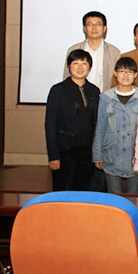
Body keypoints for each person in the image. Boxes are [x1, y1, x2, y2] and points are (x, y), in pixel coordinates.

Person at [92, 57, 138, 194]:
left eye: (130, 72)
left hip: (135, 156)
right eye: (122, 71)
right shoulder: (105, 98)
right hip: (111, 155)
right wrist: (97, 155)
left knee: (134, 197)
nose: (125, 75)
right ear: (115, 73)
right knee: (114, 197)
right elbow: (100, 127)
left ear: (135, 75)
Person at [45, 49, 100, 191]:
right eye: (76, 63)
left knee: (82, 191)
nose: (80, 67)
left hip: (87, 151)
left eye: (84, 63)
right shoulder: (58, 90)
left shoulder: (94, 91)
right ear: (69, 66)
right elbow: (50, 124)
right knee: (63, 192)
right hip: (65, 151)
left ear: (90, 67)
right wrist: (53, 156)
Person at [64, 11, 121, 91]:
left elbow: (118, 80)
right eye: (90, 24)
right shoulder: (74, 50)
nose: (94, 28)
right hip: (78, 96)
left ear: (104, 28)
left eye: (98, 24)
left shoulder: (114, 52)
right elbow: (67, 77)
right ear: (84, 28)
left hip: (104, 97)